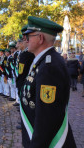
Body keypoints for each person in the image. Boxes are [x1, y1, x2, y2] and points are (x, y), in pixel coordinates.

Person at [21, 16, 76, 147]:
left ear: (40, 38)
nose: (25, 40)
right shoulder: (44, 61)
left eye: (29, 36)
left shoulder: (49, 66)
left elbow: (47, 117)